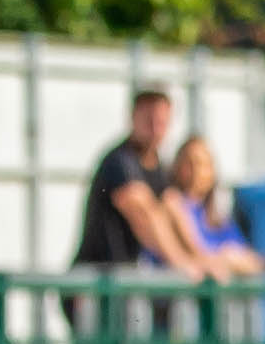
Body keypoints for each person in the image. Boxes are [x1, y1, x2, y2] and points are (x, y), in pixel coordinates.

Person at [69, 87, 207, 319]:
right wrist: (182, 264)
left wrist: (203, 260)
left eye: (161, 122)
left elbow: (176, 216)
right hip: (96, 284)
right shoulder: (120, 162)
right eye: (149, 120)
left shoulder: (159, 169)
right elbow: (144, 217)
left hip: (123, 286)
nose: (155, 129)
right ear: (133, 118)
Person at [159, 137, 265, 281]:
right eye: (190, 163)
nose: (196, 171)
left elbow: (241, 252)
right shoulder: (172, 201)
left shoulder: (217, 216)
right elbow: (200, 252)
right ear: (178, 167)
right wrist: (256, 264)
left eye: (203, 165)